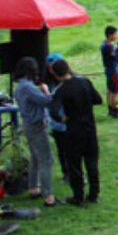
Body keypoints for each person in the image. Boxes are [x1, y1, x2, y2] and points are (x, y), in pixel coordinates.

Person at [48, 59, 103, 206]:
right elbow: (98, 99)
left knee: (74, 164)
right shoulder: (84, 82)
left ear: (55, 74)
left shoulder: (61, 89)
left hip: (73, 130)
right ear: (68, 68)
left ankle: (78, 197)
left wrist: (61, 118)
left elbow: (52, 109)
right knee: (92, 162)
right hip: (89, 128)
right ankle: (94, 194)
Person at [13, 57, 59, 206]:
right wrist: (46, 91)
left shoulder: (20, 86)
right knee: (46, 159)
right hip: (37, 125)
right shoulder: (28, 87)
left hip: (27, 124)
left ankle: (33, 188)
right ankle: (48, 196)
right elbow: (47, 101)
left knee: (34, 157)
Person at [43, 54, 69, 184]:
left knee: (72, 150)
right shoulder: (47, 83)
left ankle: (74, 173)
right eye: (49, 69)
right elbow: (50, 104)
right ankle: (66, 173)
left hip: (69, 121)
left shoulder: (70, 82)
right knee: (62, 150)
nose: (52, 72)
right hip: (56, 123)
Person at [99, 26, 118, 119]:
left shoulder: (104, 44)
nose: (116, 36)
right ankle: (114, 110)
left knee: (109, 89)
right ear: (110, 34)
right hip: (113, 71)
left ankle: (110, 108)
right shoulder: (109, 47)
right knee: (115, 91)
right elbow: (116, 58)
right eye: (115, 34)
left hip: (108, 69)